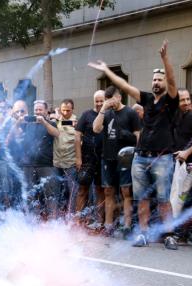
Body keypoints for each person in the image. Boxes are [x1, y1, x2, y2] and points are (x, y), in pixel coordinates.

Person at [89, 39, 179, 249]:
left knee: (164, 199)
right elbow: (124, 86)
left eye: (159, 79)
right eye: (154, 79)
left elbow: (173, 80)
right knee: (142, 199)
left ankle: (169, 235)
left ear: (164, 83)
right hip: (140, 157)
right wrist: (106, 71)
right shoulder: (146, 99)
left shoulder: (171, 100)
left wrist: (165, 59)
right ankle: (143, 233)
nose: (156, 82)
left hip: (162, 157)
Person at [93, 86, 140, 237]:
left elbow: (138, 136)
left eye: (112, 99)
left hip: (126, 158)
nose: (110, 102)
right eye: (107, 100)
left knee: (126, 190)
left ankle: (126, 224)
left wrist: (126, 136)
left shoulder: (130, 113)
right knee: (108, 190)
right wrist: (103, 109)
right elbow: (96, 128)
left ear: (119, 97)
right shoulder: (106, 113)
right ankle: (108, 225)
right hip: (108, 157)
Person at [16, 100, 60, 219]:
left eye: (40, 110)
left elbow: (57, 134)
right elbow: (16, 135)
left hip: (46, 164)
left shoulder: (51, 123)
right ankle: (31, 219)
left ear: (46, 111)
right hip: (28, 165)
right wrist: (18, 122)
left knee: (50, 193)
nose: (38, 112)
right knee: (29, 194)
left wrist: (44, 123)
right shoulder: (27, 124)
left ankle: (52, 220)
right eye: (36, 110)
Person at [75, 90, 105, 229]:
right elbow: (77, 136)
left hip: (103, 159)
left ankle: (99, 221)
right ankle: (77, 219)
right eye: (97, 101)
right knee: (82, 190)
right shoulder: (86, 114)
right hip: (86, 159)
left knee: (100, 190)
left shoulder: (109, 115)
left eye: (101, 101)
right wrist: (79, 158)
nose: (99, 103)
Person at [53, 99, 78, 216]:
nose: (65, 112)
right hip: (57, 162)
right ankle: (58, 213)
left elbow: (71, 124)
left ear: (72, 109)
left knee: (72, 190)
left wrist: (58, 118)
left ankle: (71, 215)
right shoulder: (56, 120)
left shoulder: (76, 121)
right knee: (58, 190)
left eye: (68, 110)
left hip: (71, 162)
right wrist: (56, 117)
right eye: (63, 110)